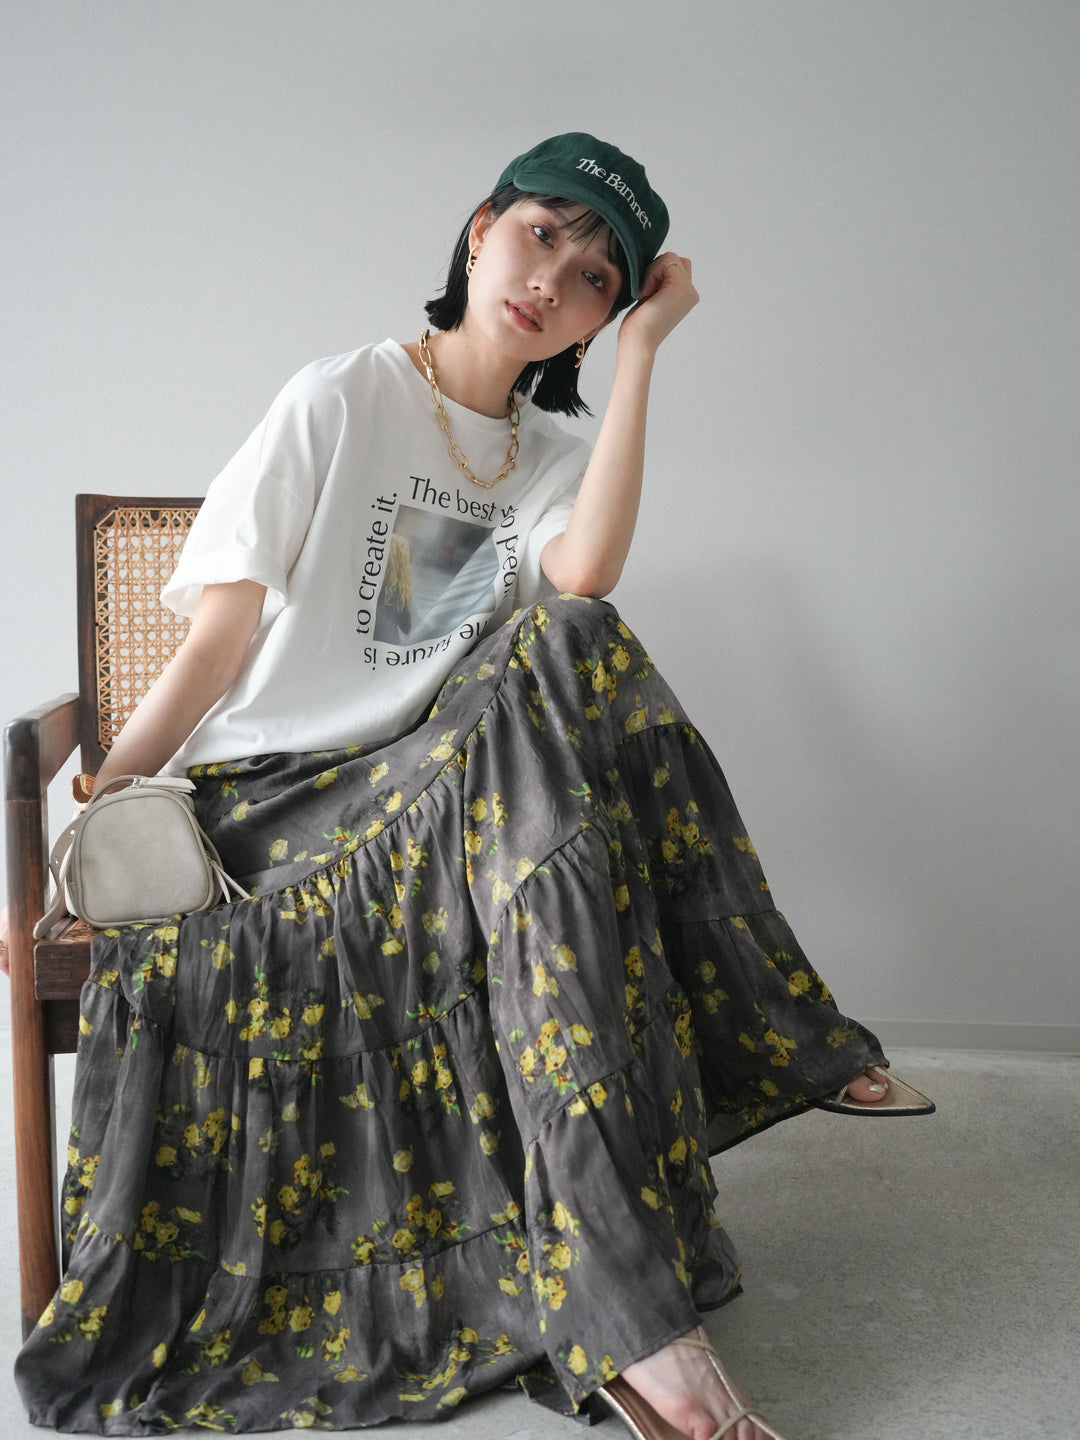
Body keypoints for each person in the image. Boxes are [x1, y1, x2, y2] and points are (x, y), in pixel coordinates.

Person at [8, 133, 931, 1440]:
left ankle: (637, 1319)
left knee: (568, 651)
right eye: (543, 232)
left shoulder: (553, 453)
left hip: (443, 805)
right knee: (551, 736)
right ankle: (759, 1054)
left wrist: (645, 357)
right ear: (481, 226)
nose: (554, 278)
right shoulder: (343, 396)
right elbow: (217, 647)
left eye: (597, 276)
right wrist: (106, 800)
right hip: (275, 814)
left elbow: (586, 576)